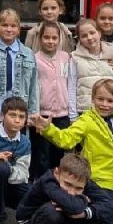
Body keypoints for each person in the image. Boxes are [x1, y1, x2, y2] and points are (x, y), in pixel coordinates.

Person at [31, 78, 113, 215]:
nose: (104, 104)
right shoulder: (87, 120)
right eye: (100, 99)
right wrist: (48, 129)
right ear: (93, 99)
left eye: (110, 101)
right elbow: (67, 139)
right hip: (97, 180)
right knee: (106, 216)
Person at [30, 19, 76, 178]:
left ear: (59, 39)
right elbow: (32, 88)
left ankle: (56, 185)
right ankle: (42, 185)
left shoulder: (66, 58)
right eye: (46, 37)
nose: (50, 41)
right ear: (40, 38)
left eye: (54, 38)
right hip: (42, 114)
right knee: (42, 155)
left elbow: (71, 82)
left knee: (58, 154)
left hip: (62, 114)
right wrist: (34, 113)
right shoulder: (34, 59)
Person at [0, 96, 32, 224]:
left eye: (21, 117)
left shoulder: (24, 141)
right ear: (2, 116)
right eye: (12, 115)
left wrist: (9, 168)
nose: (17, 120)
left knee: (32, 193)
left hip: (9, 181)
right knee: (0, 168)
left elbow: (23, 173)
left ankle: (21, 213)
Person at [71, 18, 113, 114]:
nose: (89, 38)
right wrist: (73, 114)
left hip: (112, 111)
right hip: (86, 111)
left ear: (99, 33)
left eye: (92, 33)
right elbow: (72, 87)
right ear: (79, 39)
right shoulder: (75, 58)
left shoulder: (112, 53)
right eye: (84, 36)